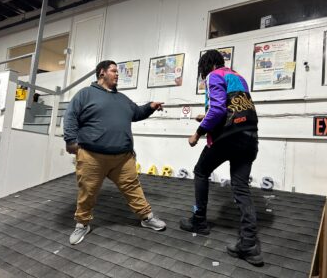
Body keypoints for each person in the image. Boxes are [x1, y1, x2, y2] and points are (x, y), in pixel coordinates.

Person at [63, 60, 166, 245]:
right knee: (88, 191)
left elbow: (137, 113)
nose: (117, 74)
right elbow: (70, 115)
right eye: (113, 71)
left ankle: (146, 217)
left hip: (123, 157)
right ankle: (82, 224)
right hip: (92, 156)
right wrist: (70, 140)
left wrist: (150, 106)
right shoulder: (85, 94)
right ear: (102, 73)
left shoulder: (122, 98)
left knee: (133, 188)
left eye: (117, 71)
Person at [179, 50, 263, 266]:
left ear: (207, 65)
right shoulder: (238, 76)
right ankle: (249, 245)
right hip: (250, 136)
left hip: (228, 138)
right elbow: (231, 107)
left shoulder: (213, 76)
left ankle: (199, 221)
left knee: (201, 171)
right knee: (241, 187)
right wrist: (205, 114)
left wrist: (197, 133)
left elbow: (217, 110)